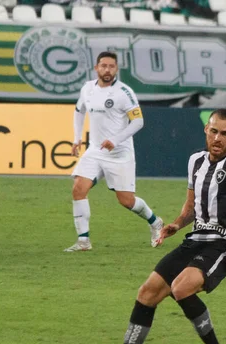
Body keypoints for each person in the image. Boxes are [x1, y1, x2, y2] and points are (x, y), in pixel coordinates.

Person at [93, 108, 226, 344]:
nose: (218, 138)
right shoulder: (195, 161)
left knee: (181, 288)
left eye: (225, 134)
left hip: (225, 243)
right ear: (206, 129)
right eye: (214, 131)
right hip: (195, 240)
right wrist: (176, 224)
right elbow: (191, 208)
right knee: (147, 292)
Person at [65, 51, 163, 252]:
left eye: (111, 66)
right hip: (95, 150)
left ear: (116, 69)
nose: (107, 69)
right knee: (78, 189)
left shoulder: (124, 92)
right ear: (96, 68)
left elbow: (138, 121)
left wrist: (116, 140)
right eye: (103, 66)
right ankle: (83, 241)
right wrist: (77, 139)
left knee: (126, 200)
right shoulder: (87, 89)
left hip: (119, 154)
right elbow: (79, 111)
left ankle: (155, 222)